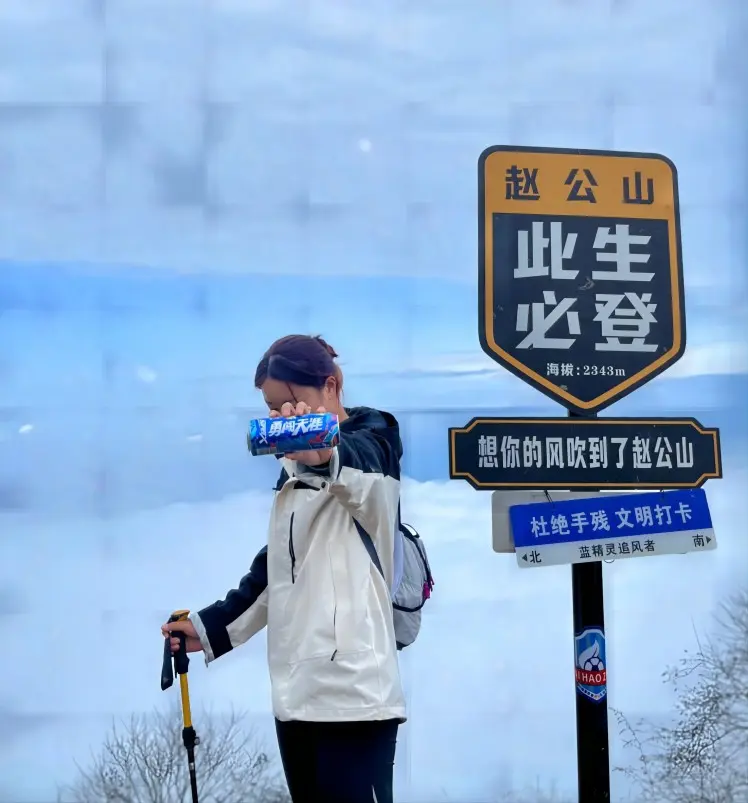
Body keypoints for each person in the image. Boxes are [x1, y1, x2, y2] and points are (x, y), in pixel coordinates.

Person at [162, 334, 406, 803]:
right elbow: (277, 567)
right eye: (273, 408)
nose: (282, 418)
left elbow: (360, 468)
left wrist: (323, 453)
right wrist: (210, 629)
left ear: (332, 387)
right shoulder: (292, 471)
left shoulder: (376, 442)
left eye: (293, 403)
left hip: (355, 700)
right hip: (297, 699)